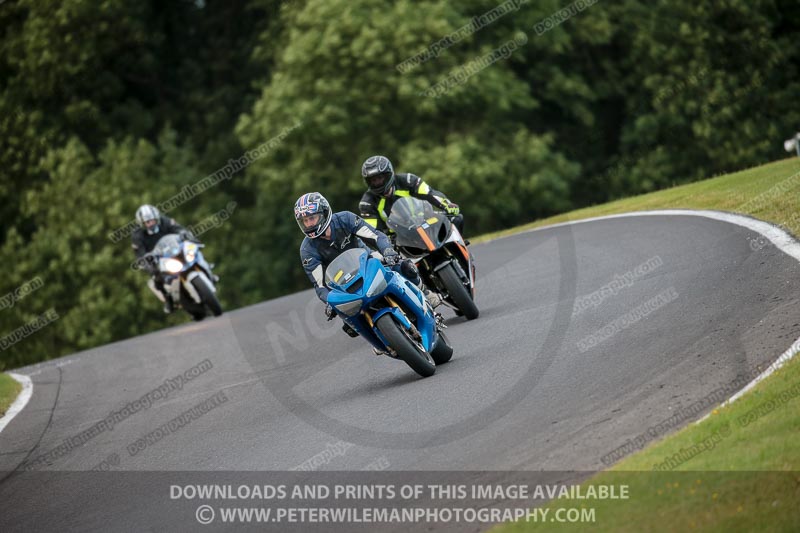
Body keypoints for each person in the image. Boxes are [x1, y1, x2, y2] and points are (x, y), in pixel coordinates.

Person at [296, 192, 441, 342]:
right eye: (305, 221)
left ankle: (425, 294)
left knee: (403, 266)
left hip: (368, 259)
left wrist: (388, 251)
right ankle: (379, 339)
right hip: (342, 284)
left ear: (325, 213)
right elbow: (319, 286)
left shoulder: (344, 218)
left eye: (312, 218)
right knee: (349, 325)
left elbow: (376, 236)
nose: (309, 224)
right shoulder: (307, 250)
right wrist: (329, 301)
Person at [358, 155, 465, 236]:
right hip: (398, 237)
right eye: (373, 180)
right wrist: (387, 240)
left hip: (425, 222)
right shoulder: (366, 203)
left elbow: (430, 193)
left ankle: (461, 254)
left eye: (379, 178)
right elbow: (373, 231)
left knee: (456, 218)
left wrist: (446, 205)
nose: (376, 183)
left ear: (388, 174)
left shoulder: (408, 180)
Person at [131, 204, 194, 314]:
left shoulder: (166, 221)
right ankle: (168, 299)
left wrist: (184, 234)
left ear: (157, 218)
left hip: (174, 250)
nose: (150, 224)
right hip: (158, 260)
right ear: (142, 224)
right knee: (156, 276)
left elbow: (179, 229)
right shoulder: (138, 236)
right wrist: (146, 264)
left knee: (192, 252)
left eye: (152, 220)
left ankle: (206, 269)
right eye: (147, 222)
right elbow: (140, 254)